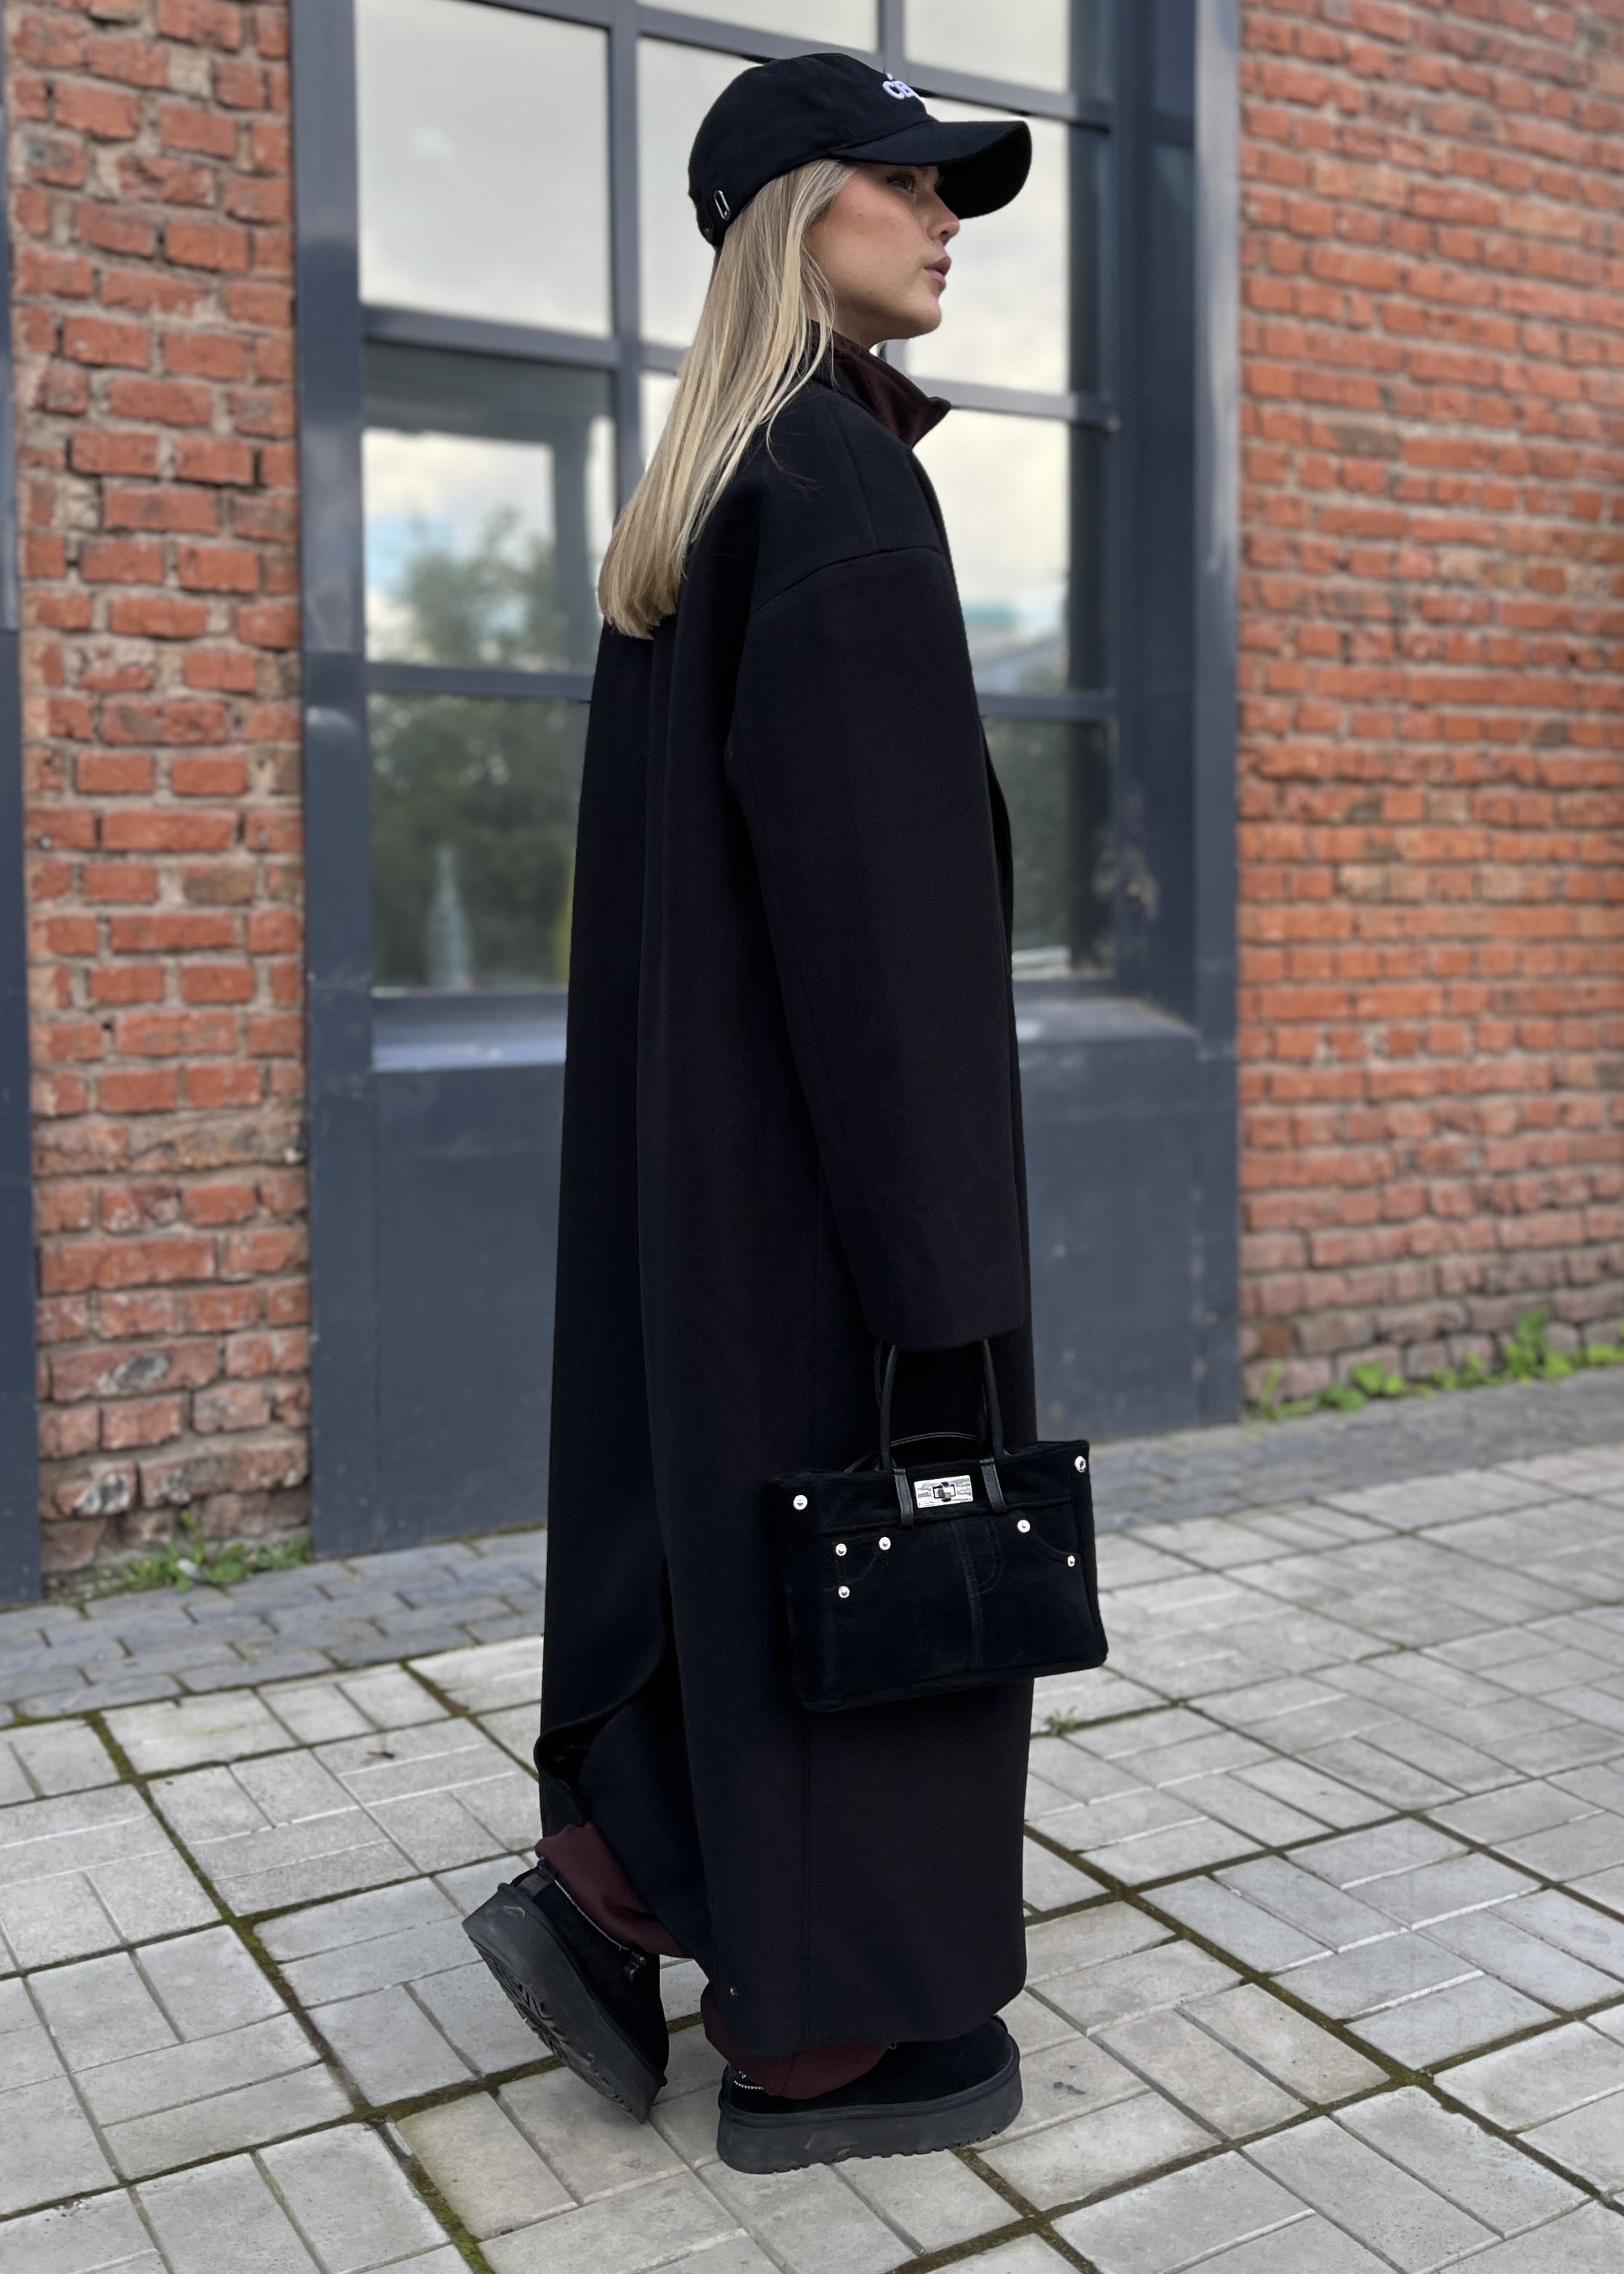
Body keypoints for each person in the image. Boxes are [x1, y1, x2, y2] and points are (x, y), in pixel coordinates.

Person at [465, 51, 1038, 2175]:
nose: (944, 217)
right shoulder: (842, 492)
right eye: (908, 181)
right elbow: (887, 929)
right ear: (801, 213)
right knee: (883, 1571)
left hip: (716, 1180)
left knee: (731, 1537)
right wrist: (947, 1270)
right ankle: (825, 2039)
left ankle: (631, 1858)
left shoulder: (714, 493)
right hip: (834, 1187)